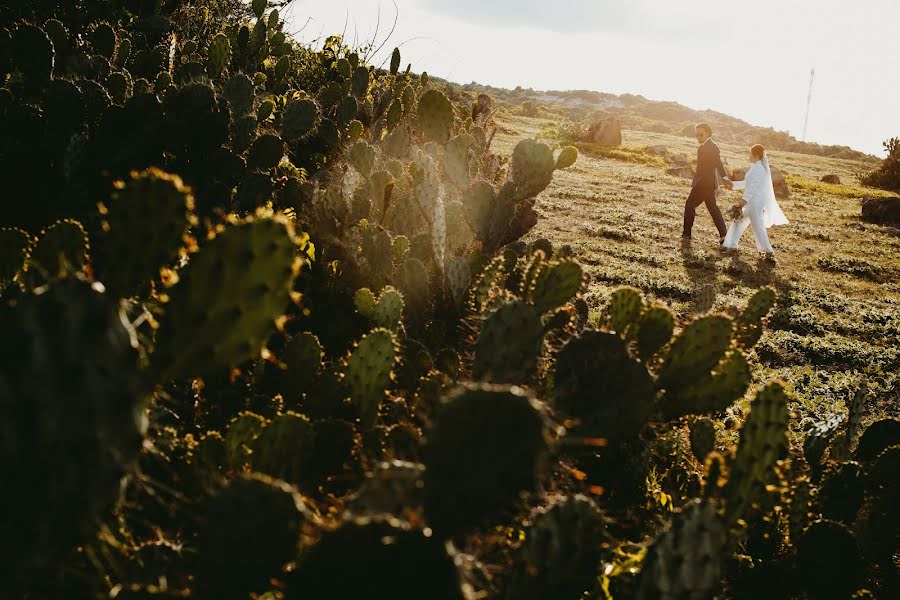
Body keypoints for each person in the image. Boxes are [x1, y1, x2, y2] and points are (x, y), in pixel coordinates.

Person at [722, 144, 789, 262]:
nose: (748, 155)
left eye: (750, 153)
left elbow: (752, 187)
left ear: (756, 155)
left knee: (758, 227)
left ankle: (768, 251)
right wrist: (733, 185)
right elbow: (747, 183)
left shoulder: (758, 169)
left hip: (754, 203)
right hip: (751, 202)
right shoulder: (757, 167)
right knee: (738, 222)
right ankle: (732, 246)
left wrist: (744, 200)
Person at [682, 123, 731, 244]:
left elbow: (718, 164)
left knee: (689, 205)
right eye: (696, 134)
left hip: (704, 184)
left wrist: (725, 178)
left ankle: (686, 234)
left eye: (701, 134)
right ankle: (724, 236)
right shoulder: (702, 147)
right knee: (713, 208)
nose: (698, 137)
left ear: (708, 133)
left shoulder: (712, 147)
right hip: (706, 183)